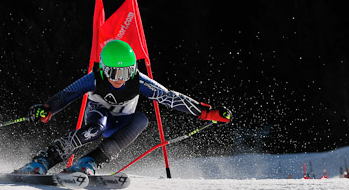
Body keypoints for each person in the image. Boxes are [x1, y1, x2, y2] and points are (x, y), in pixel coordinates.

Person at [14, 40, 232, 175]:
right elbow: (67, 95)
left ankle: (89, 161)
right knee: (96, 128)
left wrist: (205, 111)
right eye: (114, 73)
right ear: (104, 68)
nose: (120, 79)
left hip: (122, 120)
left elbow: (169, 97)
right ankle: (45, 159)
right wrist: (47, 109)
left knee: (142, 120)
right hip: (99, 115)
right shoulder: (95, 78)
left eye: (126, 73)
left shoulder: (139, 81)